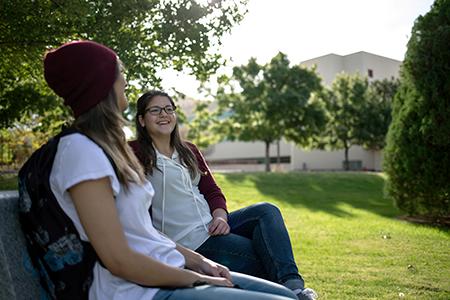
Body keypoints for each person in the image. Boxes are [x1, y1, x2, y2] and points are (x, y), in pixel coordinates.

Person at [42, 40, 299, 300]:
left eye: (168, 109)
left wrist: (200, 261)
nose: (125, 80)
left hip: (177, 259)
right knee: (270, 271)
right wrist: (197, 275)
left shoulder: (112, 149)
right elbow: (120, 258)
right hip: (144, 287)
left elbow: (143, 231)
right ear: (100, 83)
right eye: (119, 72)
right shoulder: (87, 151)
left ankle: (294, 286)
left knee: (282, 283)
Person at [129, 90, 318, 300]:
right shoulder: (133, 153)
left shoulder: (188, 150)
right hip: (190, 241)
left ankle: (293, 287)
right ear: (142, 120)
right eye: (155, 110)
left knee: (266, 211)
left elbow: (212, 192)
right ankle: (293, 293)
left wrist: (220, 216)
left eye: (168, 109)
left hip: (211, 225)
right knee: (263, 254)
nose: (163, 114)